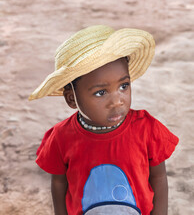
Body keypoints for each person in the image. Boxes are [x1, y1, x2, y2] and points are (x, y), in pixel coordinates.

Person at [29, 25, 179, 215]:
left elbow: (158, 177)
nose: (117, 101)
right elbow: (59, 183)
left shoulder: (147, 128)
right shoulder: (60, 137)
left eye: (124, 86)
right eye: (101, 92)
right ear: (71, 99)